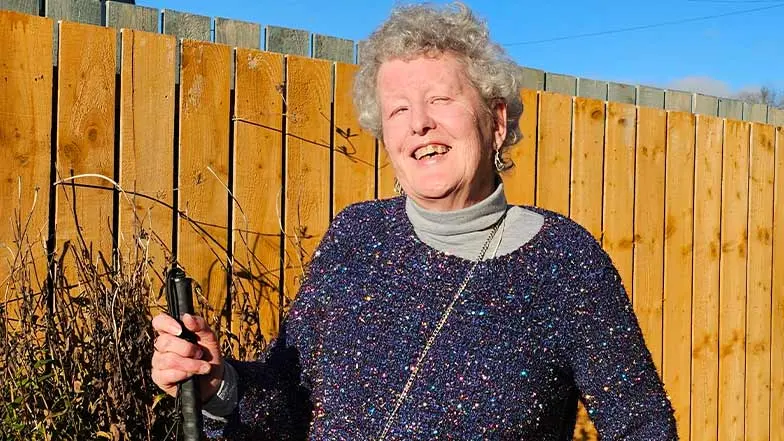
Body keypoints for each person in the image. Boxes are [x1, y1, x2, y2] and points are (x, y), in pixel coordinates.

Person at [152, 3, 678, 439]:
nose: (419, 122)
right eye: (398, 110)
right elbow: (286, 403)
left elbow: (643, 425)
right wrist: (217, 383)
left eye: (439, 100)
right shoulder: (356, 237)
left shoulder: (563, 259)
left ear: (496, 121)